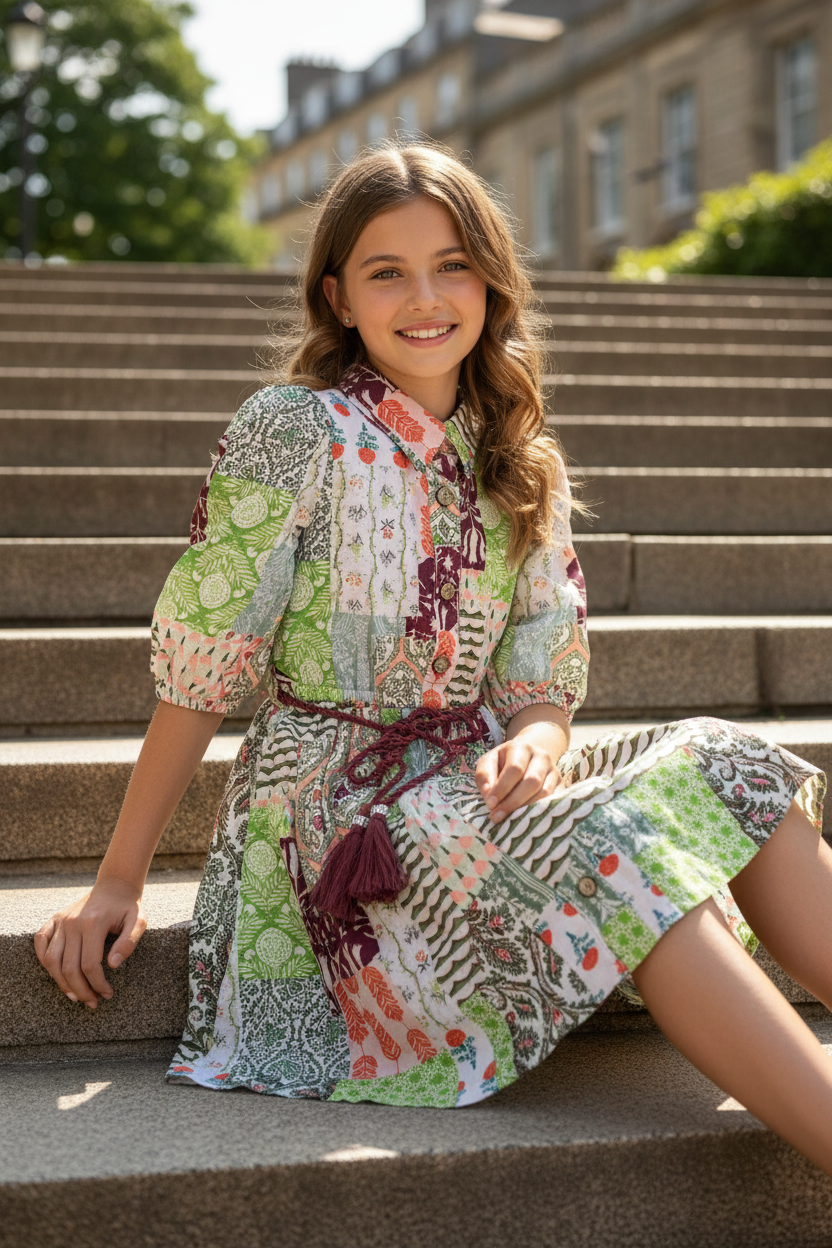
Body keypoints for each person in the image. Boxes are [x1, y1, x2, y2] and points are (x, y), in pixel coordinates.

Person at [35, 140, 832, 1173]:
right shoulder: (293, 431)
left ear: (491, 282)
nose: (425, 295)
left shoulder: (519, 452)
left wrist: (540, 742)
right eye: (386, 270)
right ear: (338, 295)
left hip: (475, 787)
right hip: (340, 831)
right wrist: (116, 880)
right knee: (620, 856)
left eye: (451, 263)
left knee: (739, 767)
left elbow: (542, 672)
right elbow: (203, 669)